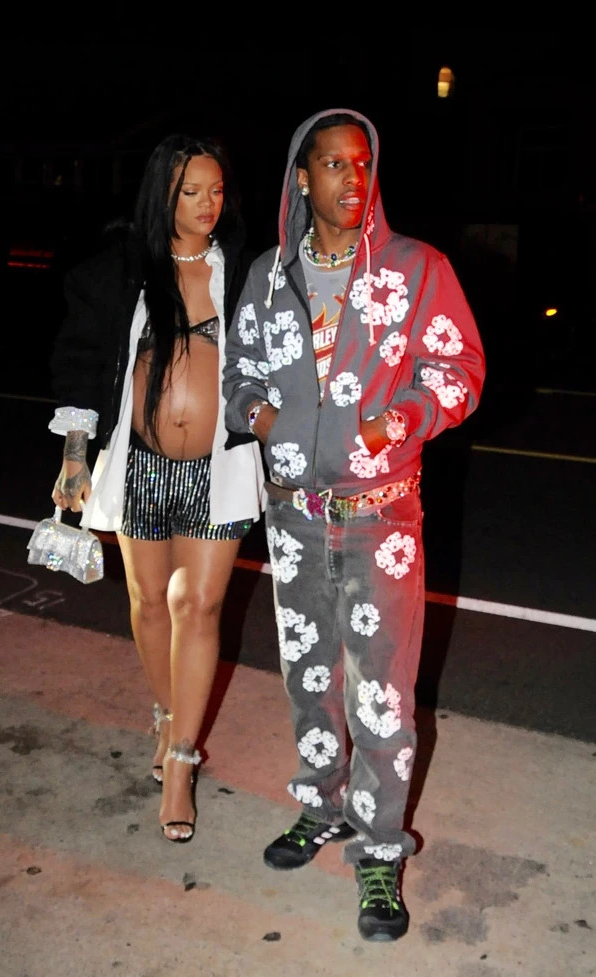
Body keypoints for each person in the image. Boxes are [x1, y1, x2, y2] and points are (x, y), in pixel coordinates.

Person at [223, 109, 485, 941]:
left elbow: (460, 370)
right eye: (333, 164)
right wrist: (266, 420)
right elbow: (238, 373)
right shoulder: (269, 275)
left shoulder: (415, 268)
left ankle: (378, 848)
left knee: (381, 694)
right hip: (293, 520)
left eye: (362, 163)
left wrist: (391, 423)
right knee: (307, 677)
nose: (351, 178)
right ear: (301, 177)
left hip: (380, 521)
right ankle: (321, 804)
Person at [49, 133, 265, 844]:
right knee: (148, 604)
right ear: (161, 195)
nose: (207, 205)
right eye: (190, 192)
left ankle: (180, 760)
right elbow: (82, 357)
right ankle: (169, 713)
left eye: (216, 190)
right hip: (138, 460)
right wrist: (75, 456)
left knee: (197, 605)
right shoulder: (122, 268)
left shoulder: (244, 271)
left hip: (219, 466)